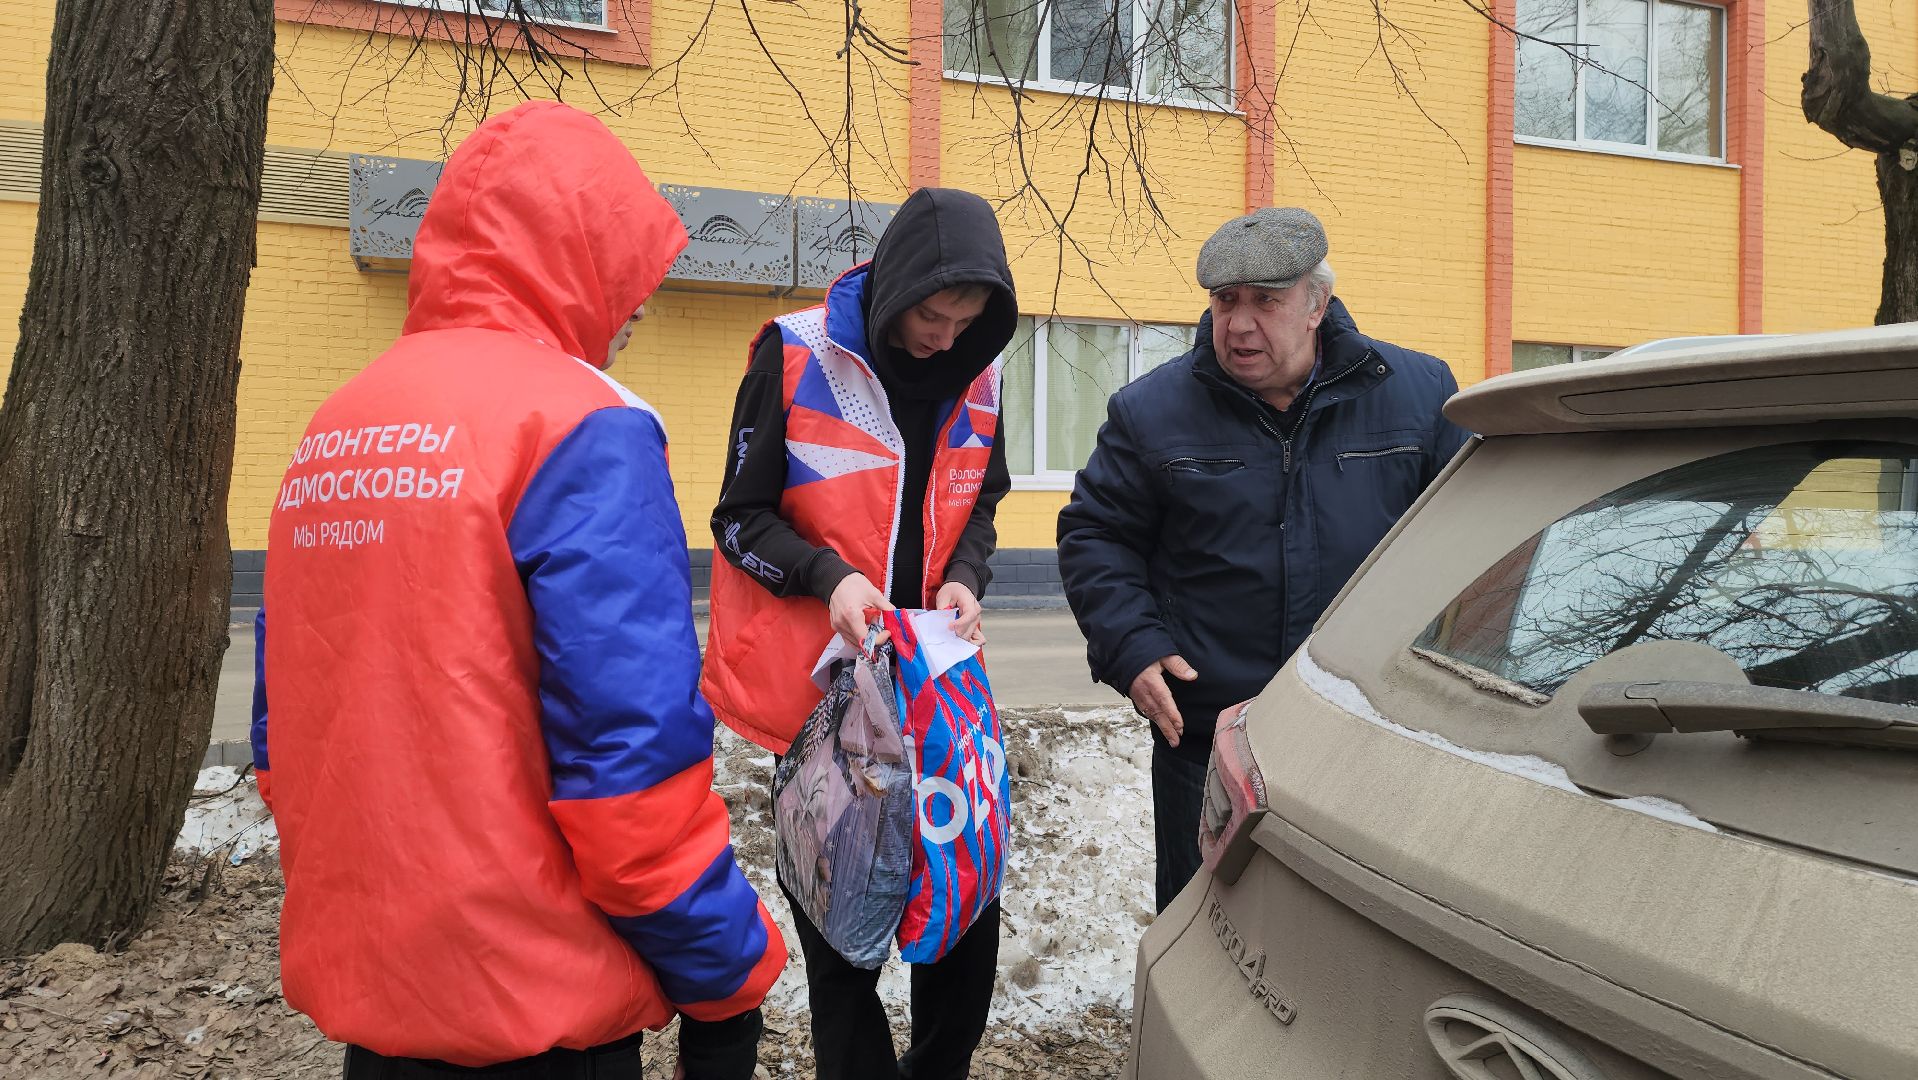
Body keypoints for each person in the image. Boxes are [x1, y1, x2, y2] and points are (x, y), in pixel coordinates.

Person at [251, 101, 784, 1079]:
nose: (635, 310)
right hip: (540, 1011)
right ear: (572, 258)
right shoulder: (580, 426)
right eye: (628, 274)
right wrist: (728, 976)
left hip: (383, 1012)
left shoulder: (336, 425)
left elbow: (283, 740)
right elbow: (631, 776)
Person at [1057, 207, 1471, 912]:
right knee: (1204, 936)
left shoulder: (1421, 396)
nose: (1239, 324)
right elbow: (1097, 534)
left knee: (1347, 935)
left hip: (1367, 731)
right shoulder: (1151, 412)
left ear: (1316, 305)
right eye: (1225, 301)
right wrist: (1131, 646)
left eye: (1266, 302)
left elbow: (1470, 543)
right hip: (1210, 738)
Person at [701, 187, 1018, 1080]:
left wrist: (968, 574)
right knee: (844, 946)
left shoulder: (982, 373)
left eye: (967, 320)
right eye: (932, 313)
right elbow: (737, 520)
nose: (945, 338)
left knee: (963, 915)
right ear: (895, 287)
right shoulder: (796, 357)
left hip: (937, 696)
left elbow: (982, 503)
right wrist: (827, 576)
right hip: (824, 712)